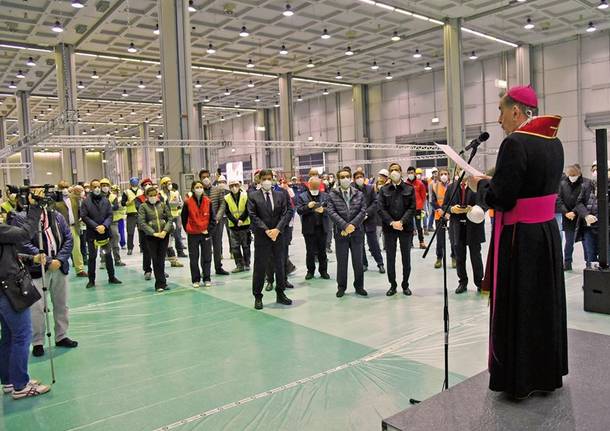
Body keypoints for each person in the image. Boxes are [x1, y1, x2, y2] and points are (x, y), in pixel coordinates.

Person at [469, 85, 567, 399]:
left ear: (516, 111)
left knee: (521, 306)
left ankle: (519, 378)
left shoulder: (515, 143)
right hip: (546, 233)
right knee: (542, 306)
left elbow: (504, 198)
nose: (498, 119)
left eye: (500, 111)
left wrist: (480, 186)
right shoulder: (555, 142)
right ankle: (544, 373)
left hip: (519, 238)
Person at [12, 188, 78, 357]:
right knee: (37, 308)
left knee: (61, 304)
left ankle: (61, 336)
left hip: (59, 268)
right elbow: (22, 242)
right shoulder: (20, 219)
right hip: (36, 270)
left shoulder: (56, 216)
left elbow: (68, 238)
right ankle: (38, 341)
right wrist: (47, 260)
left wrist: (60, 260)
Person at [0, 190, 51, 399]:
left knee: (9, 337)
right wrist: (35, 208)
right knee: (22, 335)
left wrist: (29, 258)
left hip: (4, 288)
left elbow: (7, 255)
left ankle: (10, 381)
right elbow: (24, 234)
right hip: (9, 290)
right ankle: (21, 386)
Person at [247, 169, 293, 310]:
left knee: (280, 265)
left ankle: (280, 293)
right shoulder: (253, 196)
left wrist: (277, 229)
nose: (267, 181)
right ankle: (258, 296)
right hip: (262, 236)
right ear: (260, 180)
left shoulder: (280, 195)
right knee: (260, 267)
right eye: (264, 178)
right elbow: (253, 215)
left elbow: (287, 212)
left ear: (272, 179)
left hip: (278, 236)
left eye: (269, 178)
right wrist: (266, 230)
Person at [327, 168, 367, 298]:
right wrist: (344, 226)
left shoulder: (359, 194)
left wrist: (352, 226)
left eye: (347, 176)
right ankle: (341, 287)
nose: (345, 179)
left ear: (350, 178)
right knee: (342, 262)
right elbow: (331, 212)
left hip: (357, 233)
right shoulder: (332, 194)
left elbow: (363, 211)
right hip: (341, 233)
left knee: (358, 262)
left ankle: (359, 286)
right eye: (342, 177)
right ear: (339, 179)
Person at [444, 176, 486, 294]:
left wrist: (473, 209)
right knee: (459, 256)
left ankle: (479, 282)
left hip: (473, 226)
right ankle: (462, 282)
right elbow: (444, 205)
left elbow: (485, 204)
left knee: (476, 256)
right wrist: (452, 209)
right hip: (457, 227)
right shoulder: (452, 187)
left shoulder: (477, 186)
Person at [378, 163, 416, 296]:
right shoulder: (384, 190)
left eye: (397, 170)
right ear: (389, 173)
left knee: (406, 258)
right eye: (392, 170)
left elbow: (412, 207)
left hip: (405, 228)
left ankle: (405, 284)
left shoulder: (409, 188)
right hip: (389, 229)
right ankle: (392, 285)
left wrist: (401, 222)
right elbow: (381, 208)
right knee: (390, 258)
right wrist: (391, 222)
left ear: (401, 172)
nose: (394, 172)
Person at [80, 179, 122, 289]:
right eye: (95, 187)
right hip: (92, 234)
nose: (97, 189)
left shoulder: (106, 200)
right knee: (92, 257)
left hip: (105, 233)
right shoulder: (86, 202)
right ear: (91, 188)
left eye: (98, 186)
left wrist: (104, 226)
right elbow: (84, 216)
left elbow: (110, 215)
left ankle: (112, 277)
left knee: (108, 255)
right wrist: (96, 226)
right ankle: (91, 280)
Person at [574, 162, 610, 268]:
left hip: (606, 229)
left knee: (607, 257)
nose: (595, 173)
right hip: (589, 228)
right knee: (591, 257)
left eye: (598, 170)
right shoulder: (587, 186)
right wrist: (586, 216)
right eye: (593, 170)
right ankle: (593, 282)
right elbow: (579, 203)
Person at [138, 186, 173, 292]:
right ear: (147, 196)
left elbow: (170, 218)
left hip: (163, 236)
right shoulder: (143, 207)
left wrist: (165, 231)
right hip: (151, 237)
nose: (153, 197)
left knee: (161, 259)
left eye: (155, 195)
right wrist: (153, 233)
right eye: (150, 195)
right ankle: (159, 284)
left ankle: (163, 282)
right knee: (155, 259)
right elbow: (142, 222)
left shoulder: (162, 205)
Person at [181, 181, 215, 288]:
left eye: (201, 187)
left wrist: (208, 230)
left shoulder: (208, 202)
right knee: (194, 257)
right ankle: (195, 279)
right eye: (197, 187)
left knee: (207, 257)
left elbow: (212, 219)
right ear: (192, 189)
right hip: (193, 235)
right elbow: (184, 218)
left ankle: (207, 278)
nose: (199, 188)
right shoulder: (187, 202)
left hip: (205, 234)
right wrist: (188, 230)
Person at [557, 165, 591, 271]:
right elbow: (558, 199)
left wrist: (575, 211)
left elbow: (584, 200)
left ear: (579, 174)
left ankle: (589, 263)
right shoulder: (562, 184)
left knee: (586, 243)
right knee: (569, 242)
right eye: (570, 175)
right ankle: (567, 263)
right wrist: (566, 212)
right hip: (568, 218)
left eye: (574, 175)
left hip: (581, 217)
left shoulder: (585, 183)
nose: (572, 177)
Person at [296, 176, 330, 280]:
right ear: (309, 185)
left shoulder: (326, 196)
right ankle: (310, 271)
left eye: (317, 184)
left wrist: (323, 210)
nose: (315, 186)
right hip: (309, 229)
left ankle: (323, 271)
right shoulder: (302, 196)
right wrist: (308, 207)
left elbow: (331, 209)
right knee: (310, 251)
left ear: (320, 185)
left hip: (322, 228)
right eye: (313, 184)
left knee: (322, 251)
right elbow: (299, 210)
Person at [353, 170, 385, 273]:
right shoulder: (352, 190)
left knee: (373, 243)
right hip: (358, 221)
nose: (359, 179)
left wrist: (367, 213)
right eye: (357, 177)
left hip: (369, 219)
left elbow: (375, 202)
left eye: (361, 176)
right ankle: (364, 264)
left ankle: (380, 264)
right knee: (360, 244)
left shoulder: (370, 189)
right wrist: (359, 216)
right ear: (354, 179)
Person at [54, 181, 87, 277]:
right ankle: (59, 269)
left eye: (66, 187)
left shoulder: (74, 198)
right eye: (62, 187)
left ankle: (80, 269)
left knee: (77, 249)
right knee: (60, 250)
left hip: (73, 227)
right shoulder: (56, 200)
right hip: (60, 229)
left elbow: (81, 208)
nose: (64, 189)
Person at [199, 169, 229, 276]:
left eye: (207, 176)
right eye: (203, 177)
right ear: (200, 179)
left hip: (216, 223)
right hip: (204, 225)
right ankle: (205, 269)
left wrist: (217, 217)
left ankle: (218, 267)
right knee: (205, 247)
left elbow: (222, 204)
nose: (206, 179)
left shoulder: (217, 190)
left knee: (217, 245)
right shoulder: (198, 192)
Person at [224, 180, 251, 273]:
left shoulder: (245, 195)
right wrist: (236, 221)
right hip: (233, 226)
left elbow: (248, 209)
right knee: (235, 247)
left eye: (235, 185)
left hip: (245, 225)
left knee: (246, 246)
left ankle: (247, 264)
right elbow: (227, 212)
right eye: (231, 186)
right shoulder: (226, 198)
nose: (234, 187)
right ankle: (239, 265)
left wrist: (242, 219)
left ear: (239, 186)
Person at [431, 168, 456, 269]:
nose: (443, 176)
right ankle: (439, 258)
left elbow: (455, 200)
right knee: (440, 239)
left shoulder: (453, 187)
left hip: (451, 216)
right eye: (441, 174)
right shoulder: (435, 186)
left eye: (445, 174)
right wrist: (439, 210)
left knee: (453, 238)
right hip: (439, 216)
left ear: (449, 175)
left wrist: (449, 212)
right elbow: (433, 201)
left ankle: (454, 257)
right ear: (439, 176)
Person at [159, 176, 187, 259]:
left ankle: (180, 251)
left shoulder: (175, 193)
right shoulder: (160, 194)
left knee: (177, 235)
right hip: (166, 218)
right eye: (168, 183)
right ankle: (165, 253)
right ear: (163, 184)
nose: (170, 184)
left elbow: (180, 203)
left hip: (175, 215)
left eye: (170, 182)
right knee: (166, 236)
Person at [101, 178, 125, 267]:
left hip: (113, 221)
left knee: (115, 240)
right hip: (102, 223)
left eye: (106, 185)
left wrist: (105, 208)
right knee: (103, 242)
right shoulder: (98, 196)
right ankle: (103, 261)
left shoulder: (113, 197)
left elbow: (116, 207)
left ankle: (117, 260)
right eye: (103, 186)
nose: (105, 187)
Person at [406, 166, 428, 249]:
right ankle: (410, 243)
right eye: (409, 173)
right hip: (408, 209)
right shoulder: (405, 184)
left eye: (412, 173)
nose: (410, 174)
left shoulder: (420, 184)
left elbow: (423, 196)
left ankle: (421, 242)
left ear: (414, 173)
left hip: (418, 208)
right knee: (409, 226)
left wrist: (421, 205)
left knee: (419, 226)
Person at [121, 177, 142, 255]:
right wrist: (128, 202)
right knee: (130, 232)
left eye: (136, 181)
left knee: (142, 231)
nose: (134, 182)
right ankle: (130, 248)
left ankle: (142, 247)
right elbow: (122, 203)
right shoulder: (126, 192)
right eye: (133, 181)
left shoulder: (141, 191)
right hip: (130, 214)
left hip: (140, 213)